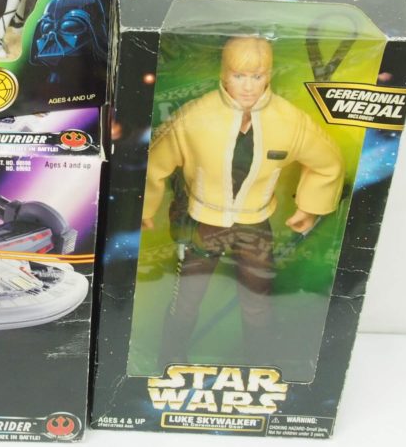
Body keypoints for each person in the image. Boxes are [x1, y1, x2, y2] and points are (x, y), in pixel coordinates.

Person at [141, 36, 344, 367]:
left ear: (268, 75)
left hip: (255, 225)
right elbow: (155, 161)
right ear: (224, 74)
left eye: (257, 76)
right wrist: (146, 207)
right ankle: (171, 359)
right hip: (203, 223)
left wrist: (310, 206)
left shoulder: (288, 121)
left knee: (258, 302)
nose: (248, 86)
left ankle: (258, 362)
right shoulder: (196, 117)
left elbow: (328, 160)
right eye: (239, 75)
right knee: (187, 299)